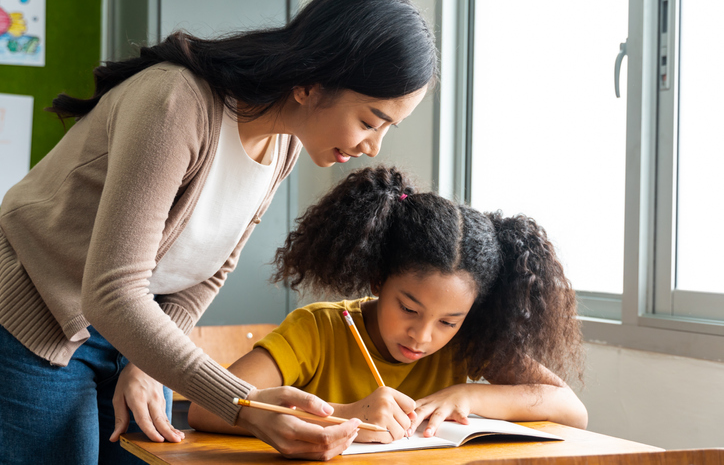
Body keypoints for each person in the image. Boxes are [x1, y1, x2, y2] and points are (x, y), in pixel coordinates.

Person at [0, 0, 436, 463]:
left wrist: (150, 365)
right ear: (311, 83)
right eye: (371, 120)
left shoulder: (284, 143)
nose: (373, 147)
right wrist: (244, 406)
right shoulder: (176, 103)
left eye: (388, 128)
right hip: (36, 317)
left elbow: (210, 270)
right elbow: (111, 291)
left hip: (134, 329)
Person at [186, 165, 588, 444]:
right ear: (379, 279)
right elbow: (206, 409)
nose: (423, 335)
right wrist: (346, 414)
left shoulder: (468, 343)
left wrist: (468, 394)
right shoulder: (320, 330)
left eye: (448, 321)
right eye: (409, 309)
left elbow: (572, 410)